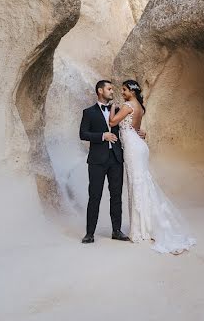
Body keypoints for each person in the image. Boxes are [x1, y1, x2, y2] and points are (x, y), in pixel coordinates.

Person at [108, 79, 195, 254]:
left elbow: (112, 123)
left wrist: (112, 107)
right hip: (139, 146)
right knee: (141, 184)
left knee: (136, 184)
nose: (122, 93)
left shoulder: (127, 105)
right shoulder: (139, 106)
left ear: (131, 91)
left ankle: (140, 229)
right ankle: (145, 227)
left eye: (124, 90)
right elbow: (137, 129)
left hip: (133, 148)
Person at [79, 80, 131, 244]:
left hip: (116, 158)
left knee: (116, 196)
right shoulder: (88, 112)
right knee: (94, 196)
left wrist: (139, 132)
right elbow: (83, 134)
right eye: (109, 89)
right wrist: (103, 136)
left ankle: (116, 230)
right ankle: (89, 233)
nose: (112, 91)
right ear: (100, 91)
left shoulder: (117, 110)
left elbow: (125, 129)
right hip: (97, 160)